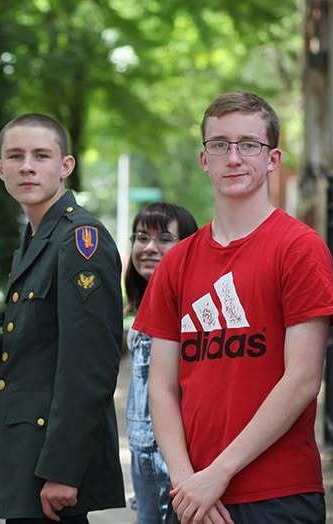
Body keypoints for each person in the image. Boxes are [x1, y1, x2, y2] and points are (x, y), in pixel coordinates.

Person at [134, 92, 333, 524]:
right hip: (191, 497)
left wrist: (219, 474)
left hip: (279, 494)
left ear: (272, 159)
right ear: (203, 159)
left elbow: (302, 379)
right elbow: (161, 388)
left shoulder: (299, 249)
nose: (233, 157)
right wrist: (187, 481)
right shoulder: (177, 262)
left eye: (249, 145)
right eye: (219, 145)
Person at [0, 113, 125, 523]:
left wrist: (63, 470)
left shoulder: (81, 241)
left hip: (50, 463)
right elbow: (37, 349)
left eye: (41, 155)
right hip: (27, 452)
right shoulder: (37, 237)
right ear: (0, 169)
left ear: (66, 166)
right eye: (15, 156)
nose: (27, 165)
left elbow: (90, 365)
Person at [124, 202, 197, 523]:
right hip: (143, 455)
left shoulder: (190, 309)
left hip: (172, 458)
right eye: (141, 238)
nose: (149, 248)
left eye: (164, 239)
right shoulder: (141, 305)